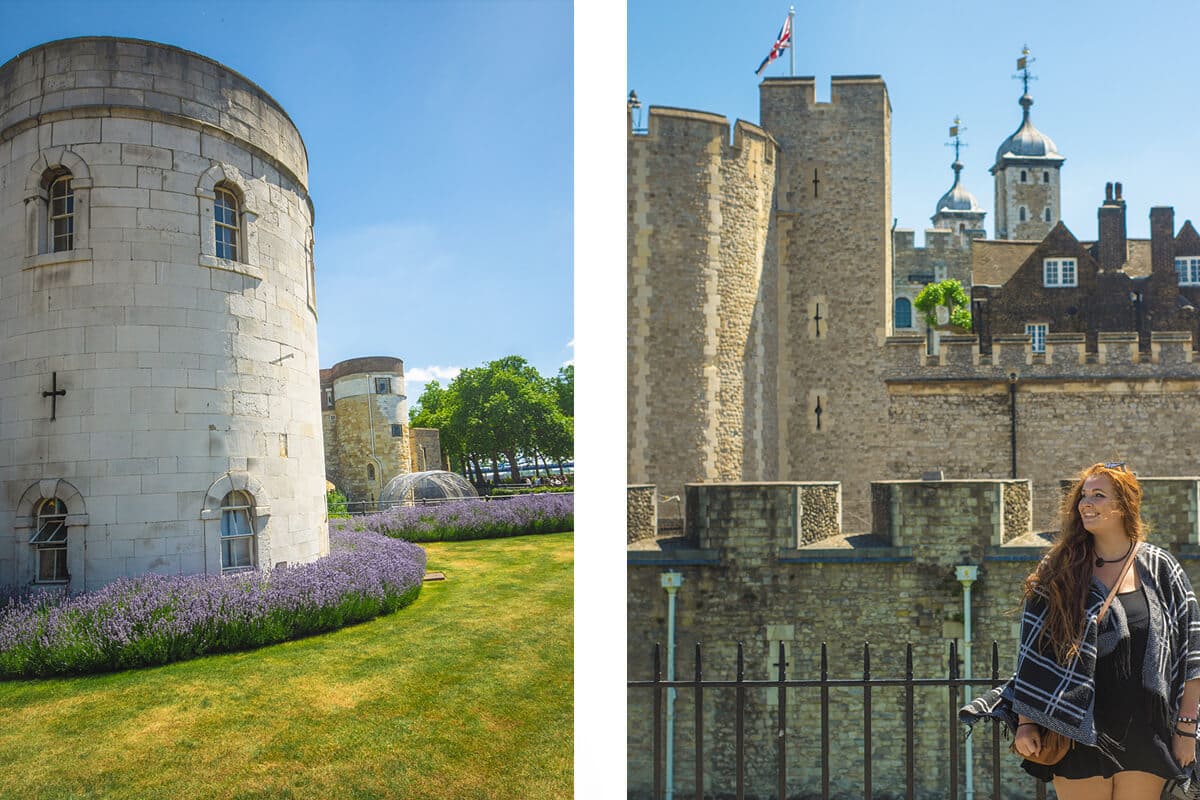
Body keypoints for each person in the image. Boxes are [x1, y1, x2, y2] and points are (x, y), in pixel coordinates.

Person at [962, 462, 1200, 799]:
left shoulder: (1161, 569)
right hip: (1076, 728)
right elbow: (1033, 653)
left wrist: (1186, 730)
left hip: (1146, 729)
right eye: (1083, 496)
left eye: (1098, 495)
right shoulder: (1058, 570)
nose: (1085, 503)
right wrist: (1027, 722)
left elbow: (1192, 655)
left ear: (1124, 505)